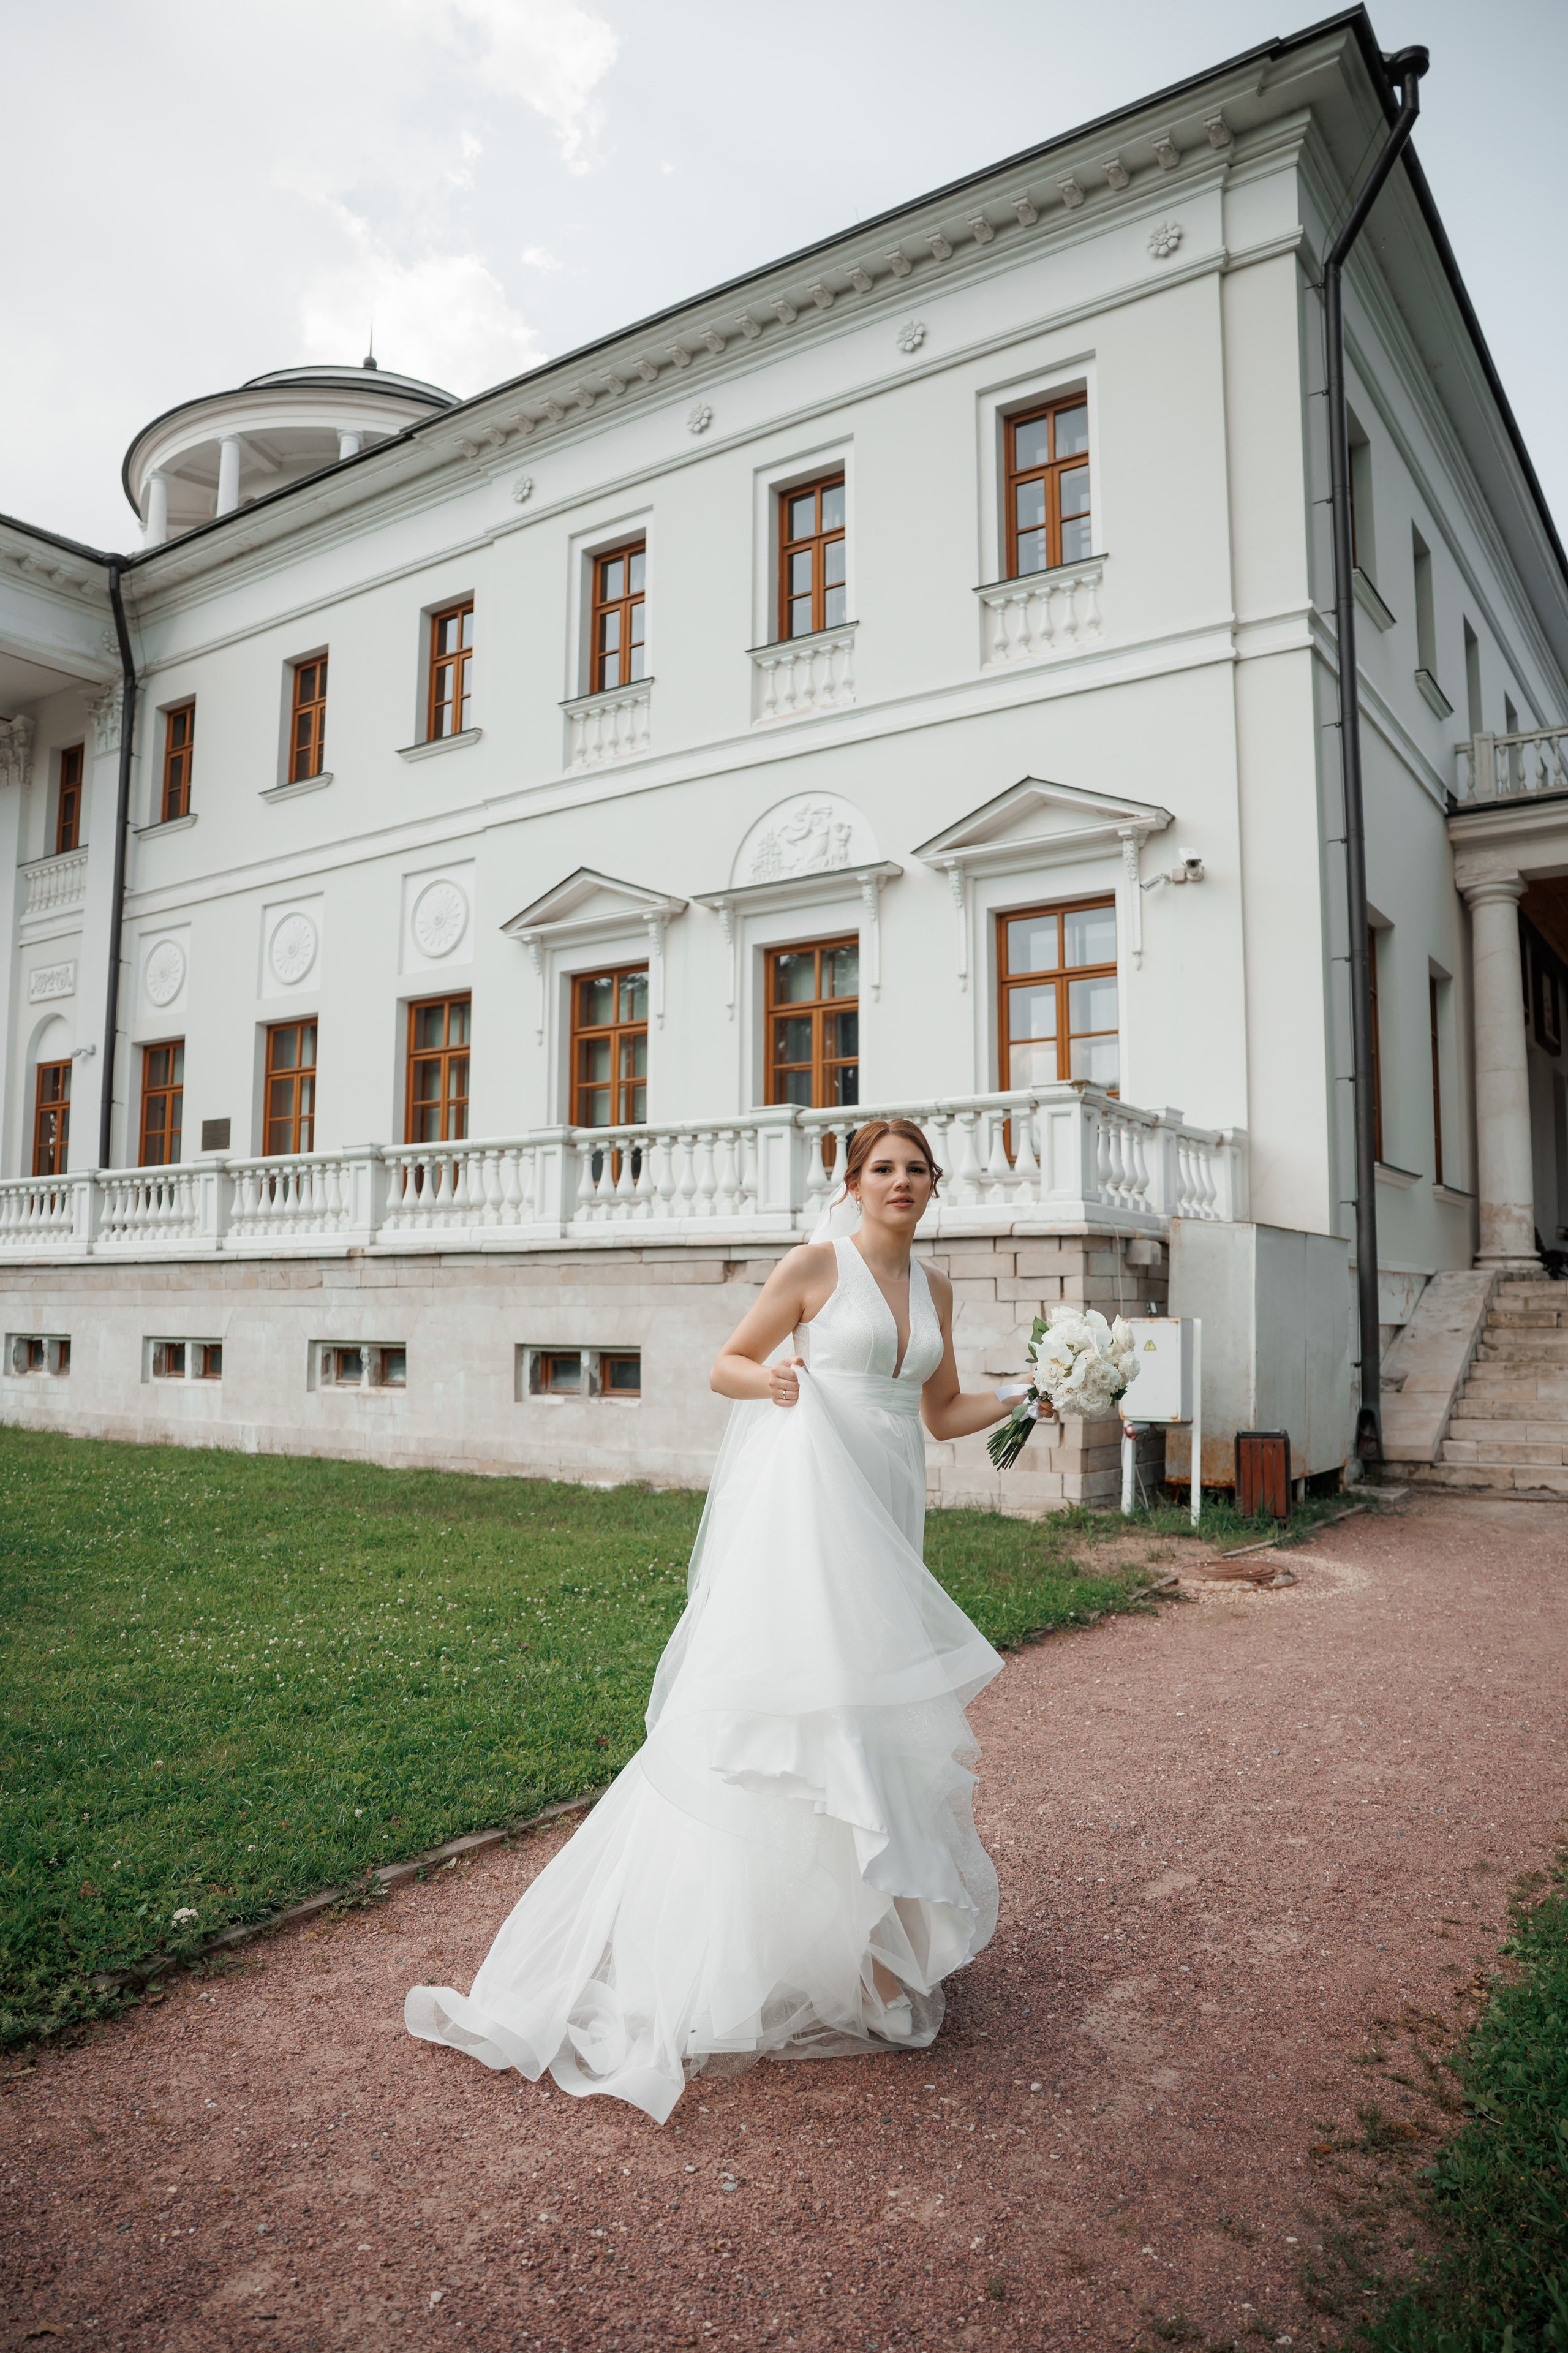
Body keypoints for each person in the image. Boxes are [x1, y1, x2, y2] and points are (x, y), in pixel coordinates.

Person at [405, 1117, 1033, 2123]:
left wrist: (1031, 1390)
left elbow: (942, 1410)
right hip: (812, 1509)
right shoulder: (816, 1266)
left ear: (933, 1184)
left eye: (917, 1169)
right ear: (853, 1182)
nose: (902, 1181)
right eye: (884, 1168)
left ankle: (864, 1943)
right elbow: (726, 1362)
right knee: (820, 1709)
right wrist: (771, 1377)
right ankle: (812, 1957)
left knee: (872, 1709)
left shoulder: (937, 1289)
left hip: (888, 1504)